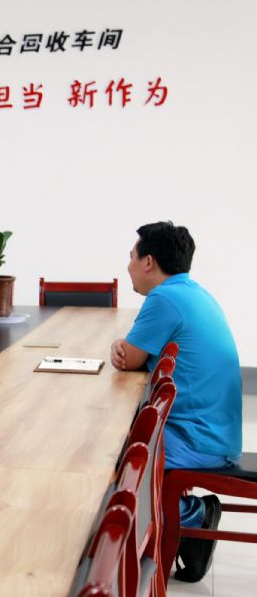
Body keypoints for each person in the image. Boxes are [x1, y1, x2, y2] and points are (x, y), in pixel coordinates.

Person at [110, 221, 241, 582]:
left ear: (148, 261)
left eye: (131, 257)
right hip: (216, 433)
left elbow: (129, 358)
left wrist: (120, 347)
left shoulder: (164, 298)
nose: (128, 265)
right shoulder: (192, 292)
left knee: (113, 464)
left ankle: (191, 513)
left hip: (198, 440)